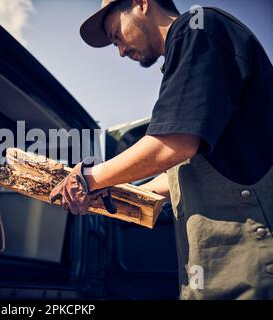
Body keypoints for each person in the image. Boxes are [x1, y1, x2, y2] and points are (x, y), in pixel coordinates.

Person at [49, 0, 273, 299]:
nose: (120, 51)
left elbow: (173, 145)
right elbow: (178, 174)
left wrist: (89, 178)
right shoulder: (189, 49)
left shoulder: (198, 28)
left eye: (117, 35)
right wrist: (110, 190)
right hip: (218, 268)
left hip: (252, 255)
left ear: (142, 3)